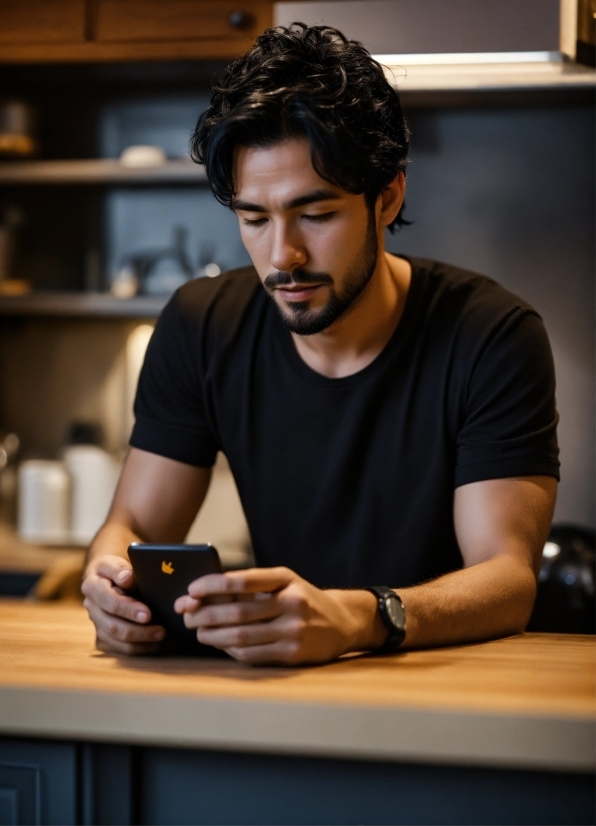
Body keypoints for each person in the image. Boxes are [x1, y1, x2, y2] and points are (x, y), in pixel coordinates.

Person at [82, 23, 559, 665]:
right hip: (277, 687)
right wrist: (111, 582)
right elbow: (134, 527)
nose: (284, 255)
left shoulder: (491, 336)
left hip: (449, 686)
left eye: (316, 214)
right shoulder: (201, 326)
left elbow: (506, 579)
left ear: (387, 196)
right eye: (254, 219)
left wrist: (357, 617)